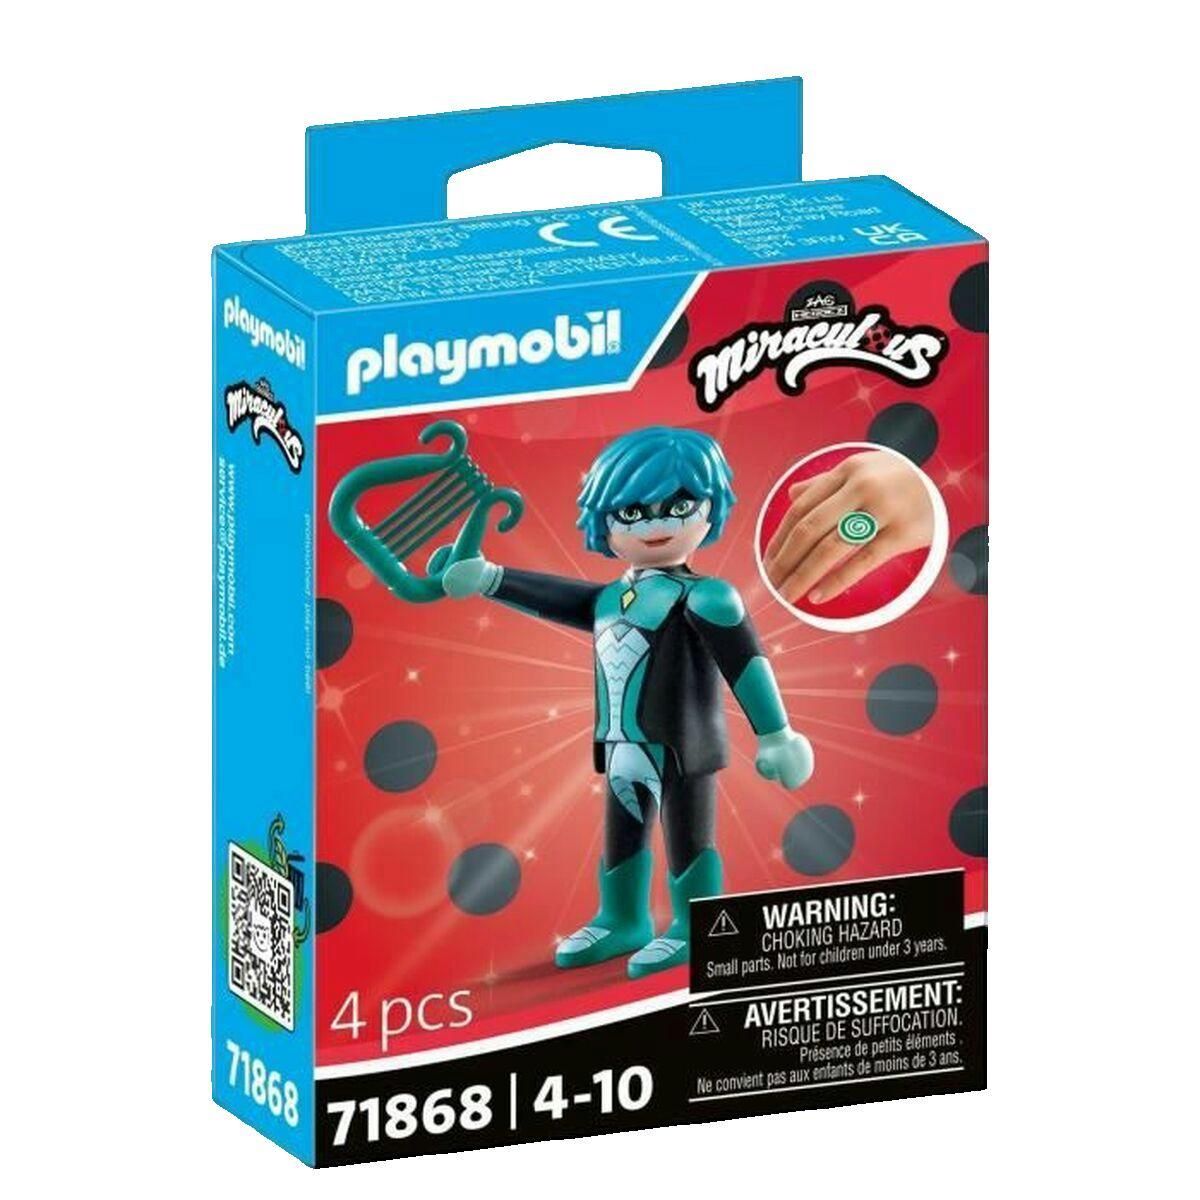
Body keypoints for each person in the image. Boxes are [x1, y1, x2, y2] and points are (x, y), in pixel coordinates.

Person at [443, 425, 813, 978]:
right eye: (633, 513)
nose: (656, 525)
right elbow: (556, 596)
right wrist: (491, 578)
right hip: (619, 744)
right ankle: (622, 919)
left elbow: (746, 662)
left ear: (709, 508)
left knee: (688, 837)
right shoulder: (609, 599)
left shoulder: (707, 596)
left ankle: (695, 924)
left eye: (679, 507)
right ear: (605, 521)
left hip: (683, 749)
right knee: (623, 833)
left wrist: (777, 733)